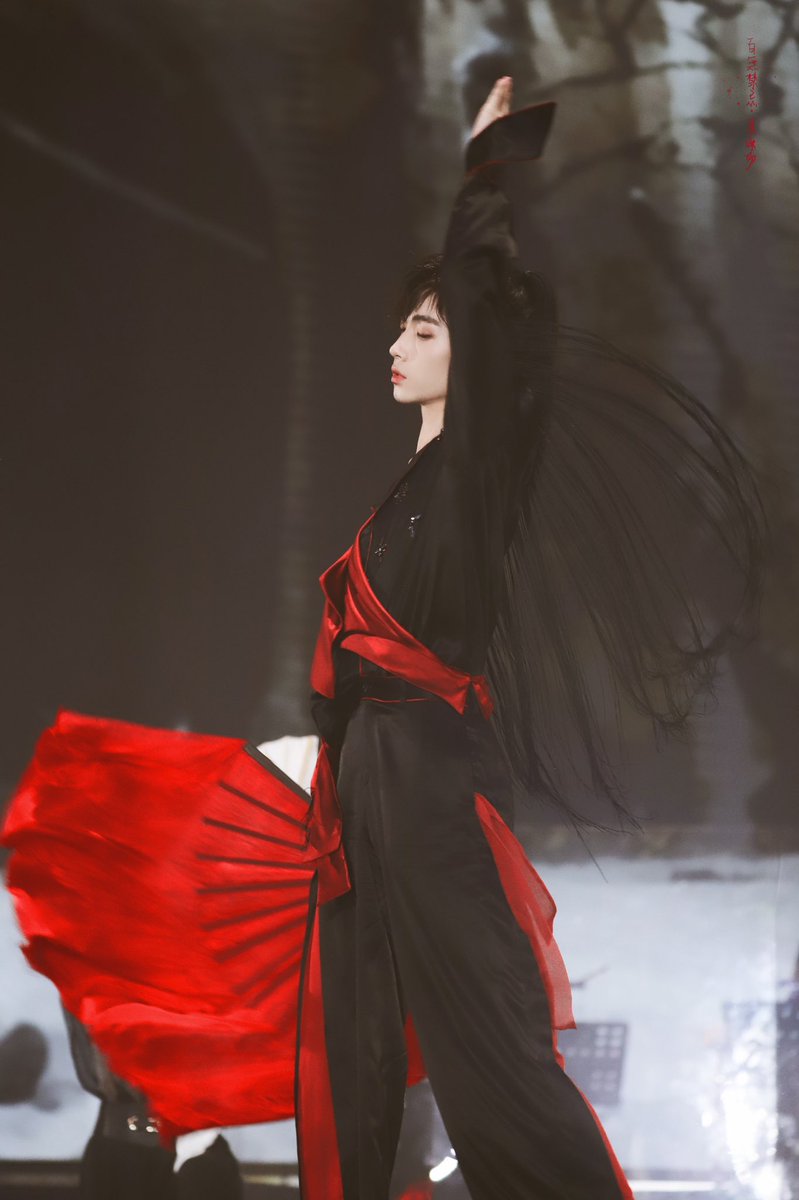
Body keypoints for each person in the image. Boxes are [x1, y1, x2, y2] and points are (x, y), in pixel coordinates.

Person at [2, 77, 764, 1200]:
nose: (395, 344)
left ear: (475, 354)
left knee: (487, 1050)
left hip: (428, 790)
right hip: (364, 790)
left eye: (423, 329)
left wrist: (484, 174)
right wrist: (325, 744)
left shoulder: (472, 480)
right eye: (402, 325)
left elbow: (483, 309)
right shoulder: (407, 490)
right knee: (350, 1044)